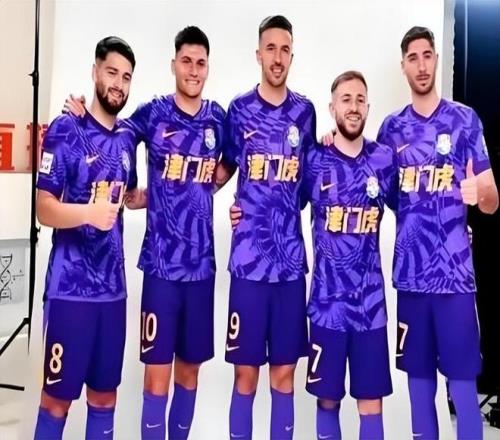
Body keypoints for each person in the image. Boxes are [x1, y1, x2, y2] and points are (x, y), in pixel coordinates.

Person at [65, 26, 226, 440]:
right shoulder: (153, 113)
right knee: (156, 379)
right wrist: (81, 115)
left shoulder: (218, 118)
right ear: (174, 65)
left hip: (201, 268)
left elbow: (237, 158)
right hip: (160, 267)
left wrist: (208, 186)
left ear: (208, 68)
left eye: (201, 63)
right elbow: (114, 131)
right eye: (186, 61)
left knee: (189, 374)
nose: (193, 70)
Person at [376, 26, 499, 440]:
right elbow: (378, 192)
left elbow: (492, 199)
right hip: (412, 280)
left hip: (455, 281)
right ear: (403, 66)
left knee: (462, 390)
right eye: (413, 58)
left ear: (436, 59)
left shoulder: (465, 120)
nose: (422, 65)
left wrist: (479, 193)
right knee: (419, 390)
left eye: (427, 55)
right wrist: (331, 140)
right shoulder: (391, 129)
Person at [34, 36, 138, 440]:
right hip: (70, 291)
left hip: (113, 293)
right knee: (56, 402)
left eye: (126, 77)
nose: (118, 84)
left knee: (105, 399)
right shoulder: (66, 128)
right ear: (95, 72)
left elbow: (131, 196)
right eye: (111, 72)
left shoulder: (127, 138)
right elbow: (44, 208)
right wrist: (88, 214)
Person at [219, 15, 316, 440]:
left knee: (283, 376)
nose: (278, 57)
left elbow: (310, 182)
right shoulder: (239, 110)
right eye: (270, 49)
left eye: (285, 49)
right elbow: (221, 170)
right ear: (258, 54)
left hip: (290, 265)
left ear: (292, 55)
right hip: (248, 264)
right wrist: (224, 203)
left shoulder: (305, 112)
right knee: (246, 376)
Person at [303, 70, 396, 440]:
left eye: (360, 100)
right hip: (327, 305)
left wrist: (457, 227)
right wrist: (239, 212)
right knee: (327, 401)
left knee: (371, 404)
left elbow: (412, 208)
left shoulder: (384, 160)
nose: (353, 107)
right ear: (332, 108)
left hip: (370, 307)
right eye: (346, 99)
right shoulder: (314, 160)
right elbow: (281, 204)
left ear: (368, 107)